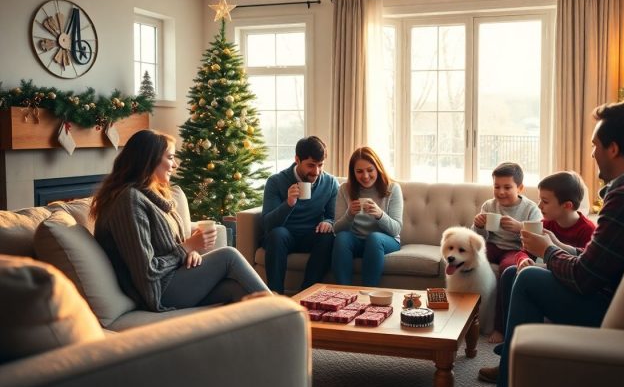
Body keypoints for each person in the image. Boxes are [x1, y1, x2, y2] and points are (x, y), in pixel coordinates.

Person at [481, 100, 624, 387]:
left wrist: (547, 251)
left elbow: (584, 278)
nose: (592, 152)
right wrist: (556, 245)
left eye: (595, 144)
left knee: (528, 279)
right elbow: (604, 260)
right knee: (512, 276)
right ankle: (513, 366)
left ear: (614, 148)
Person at [91, 129, 270, 312]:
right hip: (156, 291)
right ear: (149, 159)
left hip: (173, 278)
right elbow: (147, 271)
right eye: (170, 157)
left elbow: (169, 249)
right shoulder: (129, 201)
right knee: (228, 256)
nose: (175, 165)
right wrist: (187, 247)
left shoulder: (153, 195)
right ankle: (289, 313)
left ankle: (280, 332)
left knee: (237, 290)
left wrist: (188, 255)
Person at [482, 170, 596, 375]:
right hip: (556, 273)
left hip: (575, 284)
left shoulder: (588, 230)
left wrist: (554, 245)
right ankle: (511, 347)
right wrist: (524, 259)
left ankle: (512, 362)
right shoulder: (545, 224)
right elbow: (523, 250)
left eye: (544, 201)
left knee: (525, 277)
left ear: (567, 205)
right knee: (510, 273)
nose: (539, 206)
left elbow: (584, 268)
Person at [471, 162, 542, 343]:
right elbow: (478, 238)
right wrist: (478, 225)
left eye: (507, 187)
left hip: (517, 249)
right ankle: (463, 318)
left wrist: (519, 228)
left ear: (520, 188)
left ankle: (500, 328)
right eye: (496, 187)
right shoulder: (489, 205)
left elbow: (538, 236)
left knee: (508, 270)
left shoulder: (530, 208)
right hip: (493, 245)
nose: (501, 192)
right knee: (467, 259)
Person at [262, 136, 339, 294]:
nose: (316, 172)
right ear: (297, 160)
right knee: (277, 234)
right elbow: (267, 224)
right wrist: (288, 203)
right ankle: (275, 297)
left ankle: (307, 293)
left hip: (311, 235)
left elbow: (334, 216)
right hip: (285, 235)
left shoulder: (330, 183)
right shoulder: (276, 182)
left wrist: (329, 223)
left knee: (328, 236)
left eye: (320, 165)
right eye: (311, 165)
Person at [331, 147, 403, 286]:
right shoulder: (344, 189)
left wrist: (380, 215)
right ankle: (344, 293)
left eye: (370, 170)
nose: (365, 176)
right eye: (359, 171)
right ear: (353, 173)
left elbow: (396, 230)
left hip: (385, 241)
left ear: (378, 168)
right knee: (342, 238)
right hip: (357, 241)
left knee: (374, 238)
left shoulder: (393, 189)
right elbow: (337, 230)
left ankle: (369, 293)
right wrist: (349, 214)